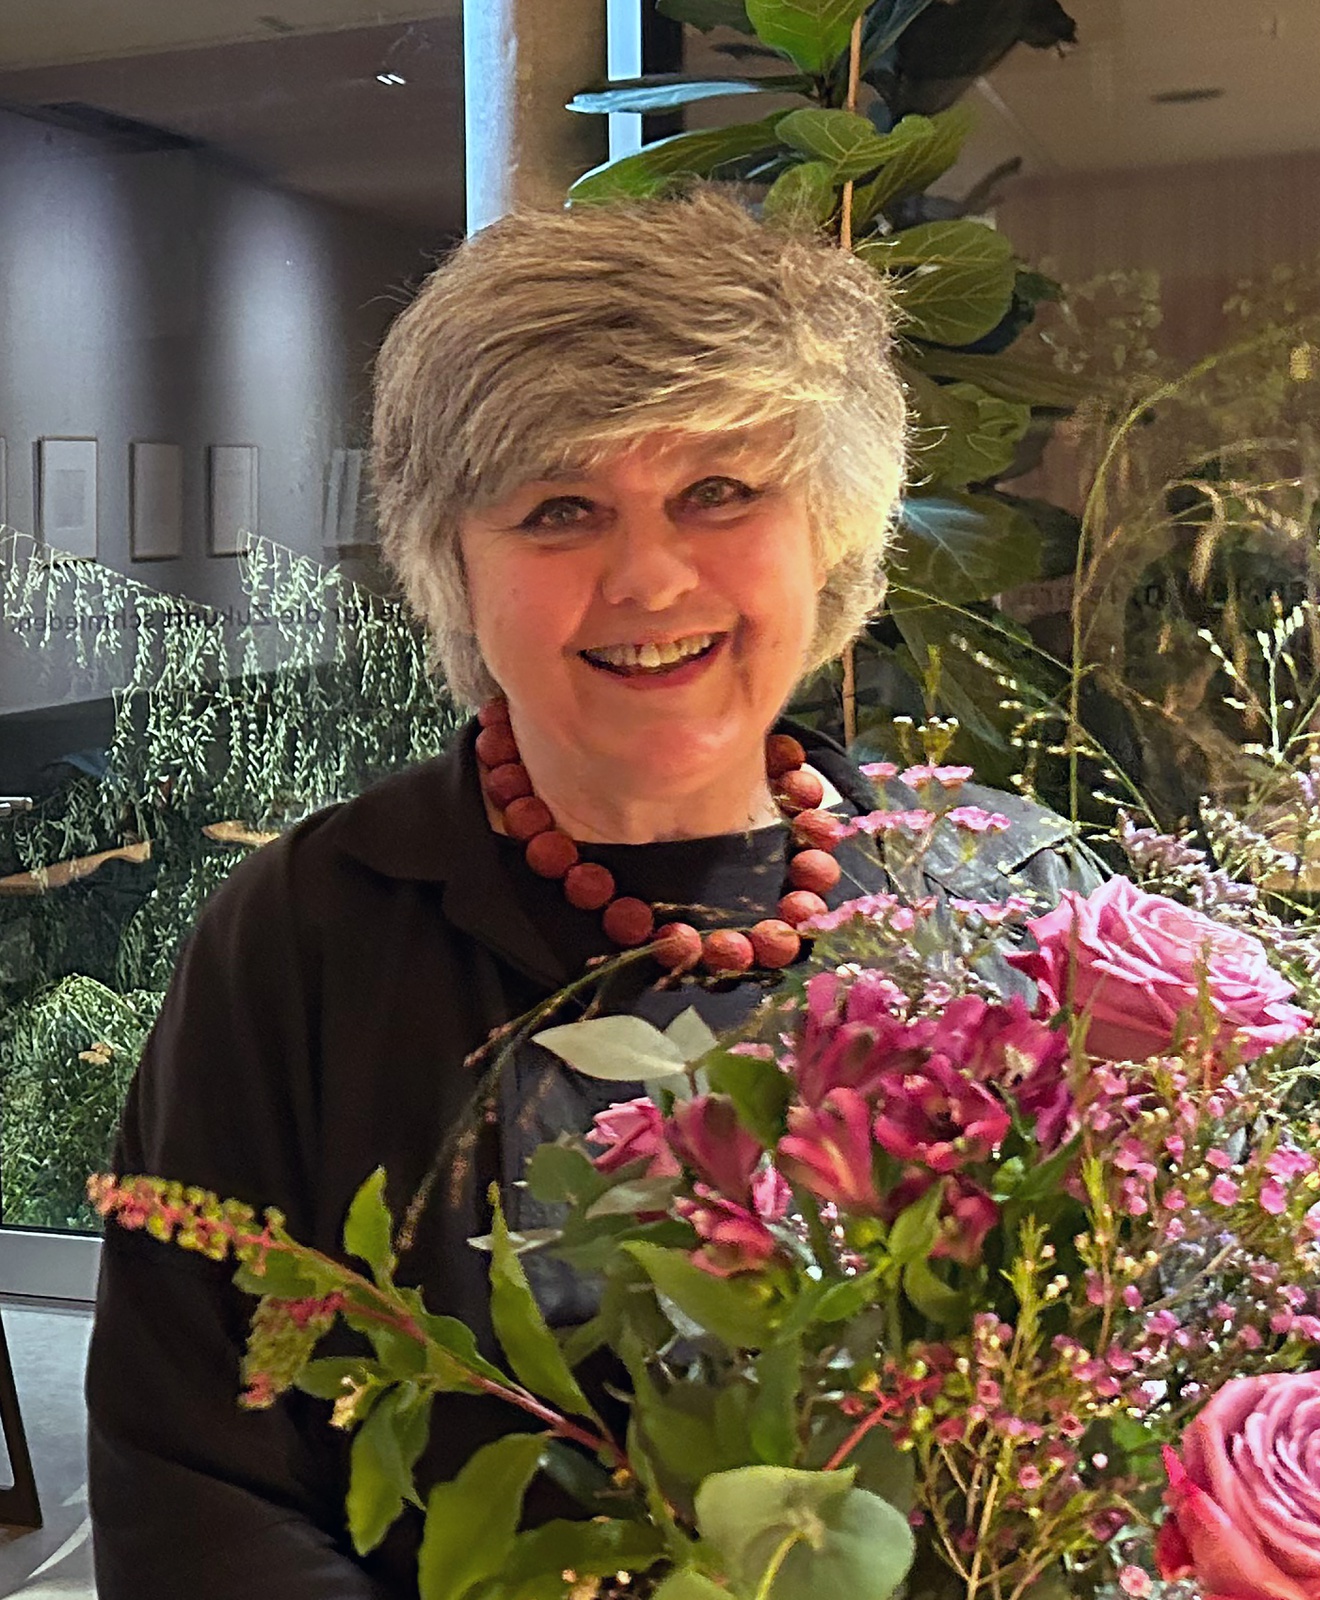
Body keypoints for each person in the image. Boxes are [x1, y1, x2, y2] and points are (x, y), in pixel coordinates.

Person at [85, 190, 1085, 1599]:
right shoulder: (308, 930)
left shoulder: (1017, 898)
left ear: (831, 530)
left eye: (720, 492)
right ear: (455, 565)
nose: (649, 577)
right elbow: (194, 1486)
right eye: (560, 510)